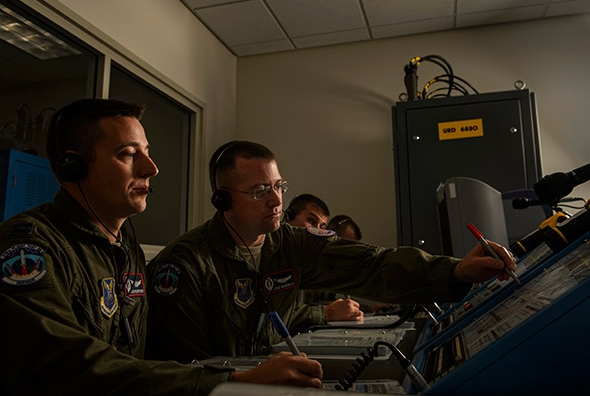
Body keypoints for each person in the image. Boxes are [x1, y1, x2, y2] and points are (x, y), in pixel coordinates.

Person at [0, 100, 322, 396]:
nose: (151, 168)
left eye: (147, 152)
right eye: (128, 154)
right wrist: (228, 383)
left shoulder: (126, 245)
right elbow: (67, 369)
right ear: (73, 167)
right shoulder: (30, 248)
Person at [146, 140, 516, 365]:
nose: (277, 201)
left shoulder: (292, 244)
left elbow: (372, 264)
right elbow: (185, 367)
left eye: (279, 186)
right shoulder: (184, 265)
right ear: (222, 199)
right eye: (261, 191)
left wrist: (455, 272)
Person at [285, 195, 363, 326]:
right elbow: (272, 319)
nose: (316, 231)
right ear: (288, 217)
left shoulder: (305, 261)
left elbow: (322, 302)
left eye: (321, 226)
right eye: (310, 220)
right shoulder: (273, 255)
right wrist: (326, 313)